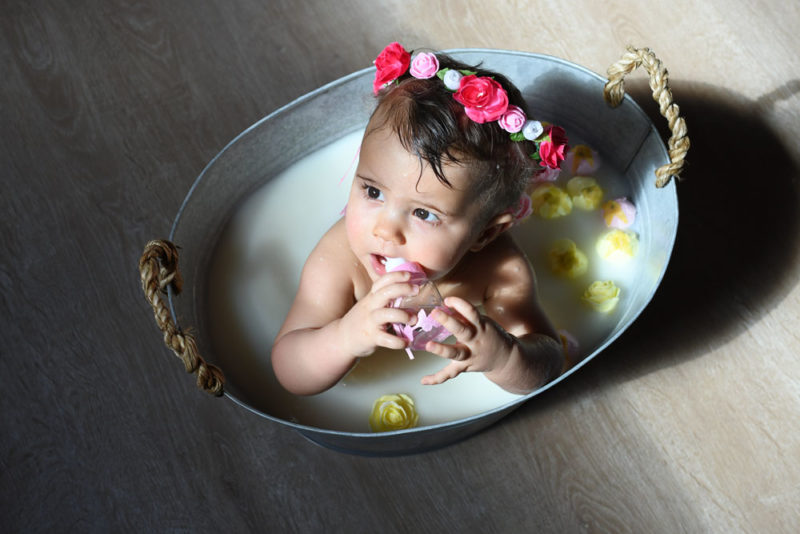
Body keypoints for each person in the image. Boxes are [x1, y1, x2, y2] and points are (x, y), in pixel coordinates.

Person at [271, 43, 565, 396]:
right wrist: (346, 336)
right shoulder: (340, 261)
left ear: (485, 233)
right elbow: (289, 370)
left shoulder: (500, 270)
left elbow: (549, 361)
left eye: (423, 213)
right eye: (373, 192)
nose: (384, 230)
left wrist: (504, 358)